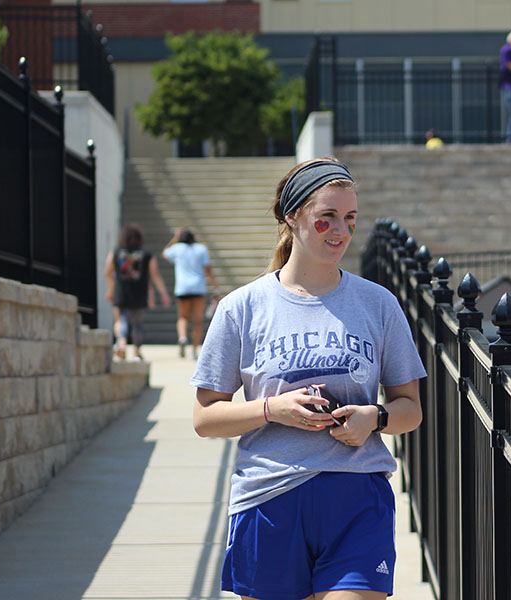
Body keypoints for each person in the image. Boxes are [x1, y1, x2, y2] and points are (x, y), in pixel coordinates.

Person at [190, 157, 427, 600]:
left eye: (350, 219)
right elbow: (205, 418)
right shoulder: (242, 308)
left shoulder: (378, 304)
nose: (341, 231)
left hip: (357, 499)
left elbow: (409, 409)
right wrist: (271, 409)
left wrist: (373, 418)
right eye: (327, 219)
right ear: (292, 217)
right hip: (269, 497)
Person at [104, 223, 170, 361]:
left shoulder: (116, 252)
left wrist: (110, 290)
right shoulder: (146, 253)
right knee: (137, 324)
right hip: (140, 294)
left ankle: (121, 343)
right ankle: (137, 351)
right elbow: (155, 274)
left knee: (120, 319)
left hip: (121, 292)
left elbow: (108, 272)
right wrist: (163, 294)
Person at [162, 227, 220, 359]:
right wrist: (215, 286)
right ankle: (194, 349)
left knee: (183, 317)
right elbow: (208, 269)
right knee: (198, 320)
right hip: (198, 288)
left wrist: (174, 239)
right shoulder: (201, 249)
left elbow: (164, 253)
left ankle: (182, 338)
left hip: (182, 288)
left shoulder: (177, 249)